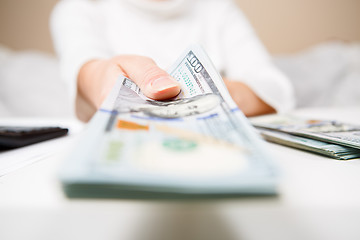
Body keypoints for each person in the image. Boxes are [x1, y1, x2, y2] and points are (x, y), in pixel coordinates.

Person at [51, 0, 295, 122]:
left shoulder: (218, 8)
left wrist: (200, 93)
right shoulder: (81, 8)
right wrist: (101, 79)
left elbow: (276, 89)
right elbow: (85, 70)